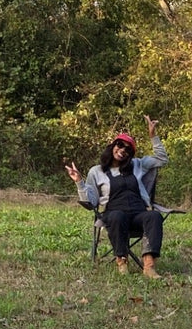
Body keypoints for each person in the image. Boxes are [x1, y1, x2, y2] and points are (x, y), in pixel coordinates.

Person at [65, 116, 169, 277]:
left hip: (137, 214)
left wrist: (153, 135)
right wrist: (79, 182)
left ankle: (149, 266)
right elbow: (90, 201)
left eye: (128, 149)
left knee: (154, 216)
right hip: (114, 214)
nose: (123, 150)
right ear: (113, 146)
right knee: (117, 216)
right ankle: (122, 262)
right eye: (120, 145)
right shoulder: (96, 171)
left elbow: (162, 159)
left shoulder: (137, 165)